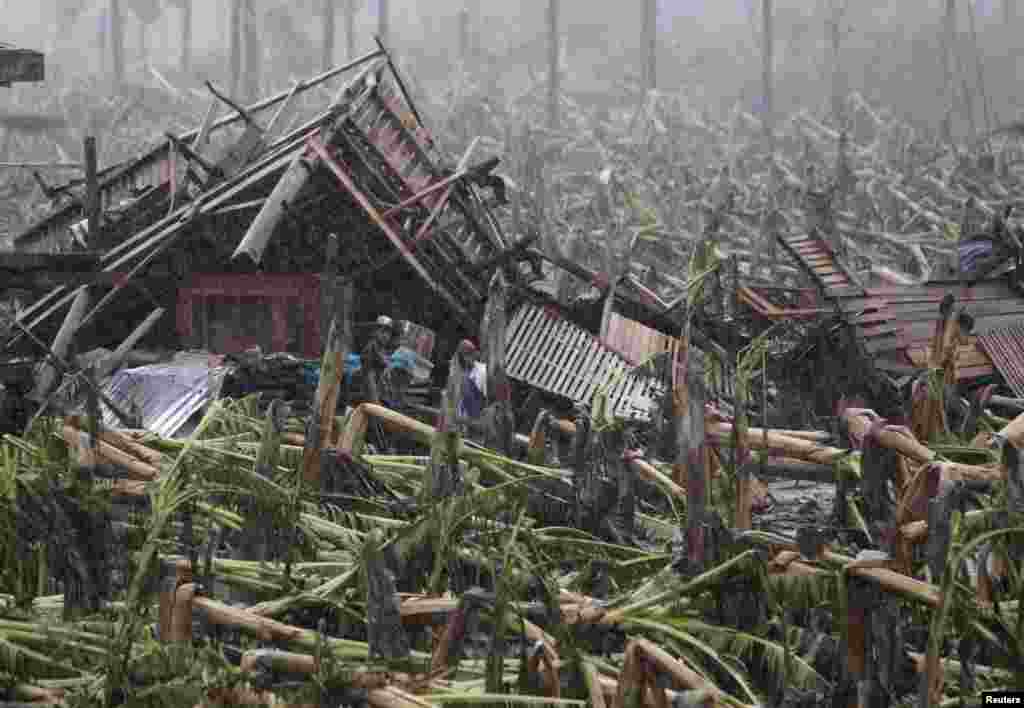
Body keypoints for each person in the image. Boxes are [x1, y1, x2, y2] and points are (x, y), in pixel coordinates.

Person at [363, 316, 398, 403]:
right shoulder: (371, 347)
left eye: (388, 333)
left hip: (380, 389)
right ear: (375, 331)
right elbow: (368, 376)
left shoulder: (382, 349)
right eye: (383, 332)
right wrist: (375, 400)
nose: (386, 336)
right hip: (371, 389)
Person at [455, 339, 487, 424]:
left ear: (474, 354)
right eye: (463, 356)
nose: (466, 359)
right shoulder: (458, 371)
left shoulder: (483, 371)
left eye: (469, 354)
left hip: (475, 419)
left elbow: (487, 399)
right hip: (459, 418)